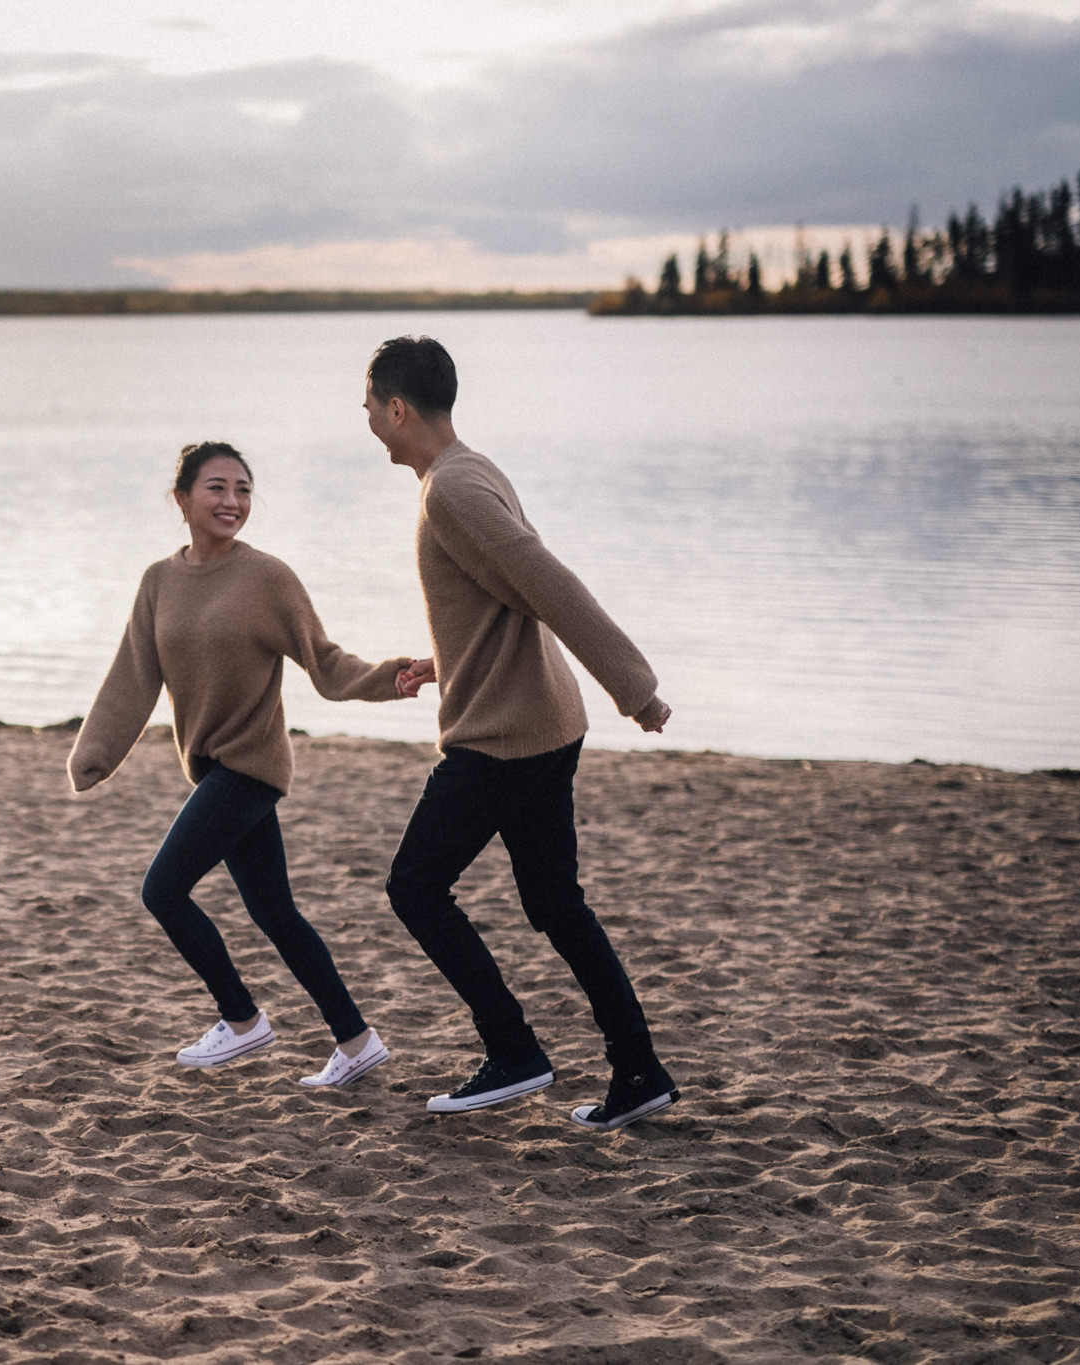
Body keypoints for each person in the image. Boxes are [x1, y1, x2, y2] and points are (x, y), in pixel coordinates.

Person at [364, 336, 681, 1130]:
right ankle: (637, 1070)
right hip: (541, 721)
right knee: (554, 903)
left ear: (398, 408)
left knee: (415, 885)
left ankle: (513, 1050)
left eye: (370, 406)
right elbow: (500, 595)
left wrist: (634, 686)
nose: (367, 420)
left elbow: (549, 584)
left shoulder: (453, 492)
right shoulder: (471, 468)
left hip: (503, 736)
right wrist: (447, 660)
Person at [69, 441, 415, 1089]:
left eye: (244, 490)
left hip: (250, 765)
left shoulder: (267, 578)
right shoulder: (159, 582)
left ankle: (241, 1018)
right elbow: (133, 676)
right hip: (211, 768)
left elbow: (325, 660)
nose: (233, 502)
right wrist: (95, 753)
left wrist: (389, 677)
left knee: (163, 890)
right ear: (181, 499)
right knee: (276, 912)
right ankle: (357, 1039)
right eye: (217, 488)